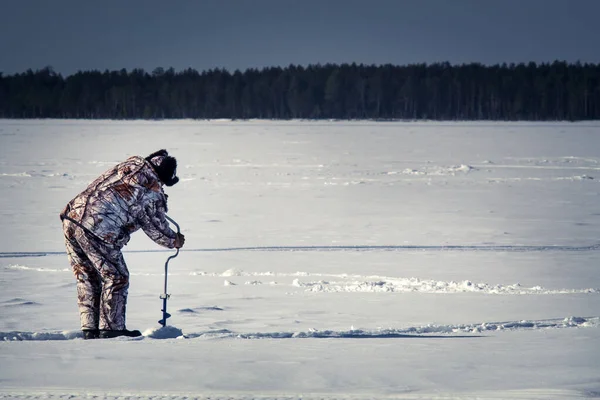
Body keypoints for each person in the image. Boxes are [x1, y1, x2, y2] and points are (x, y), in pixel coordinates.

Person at [60, 149, 185, 339]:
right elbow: (155, 228)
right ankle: (112, 330)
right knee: (117, 277)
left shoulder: (127, 167)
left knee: (87, 276)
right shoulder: (150, 188)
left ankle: (90, 329)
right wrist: (173, 240)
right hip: (98, 228)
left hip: (72, 217)